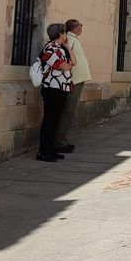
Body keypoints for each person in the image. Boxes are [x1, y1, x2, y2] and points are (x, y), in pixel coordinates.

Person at [35, 23, 74, 162]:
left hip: (61, 88)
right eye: (64, 32)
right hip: (52, 88)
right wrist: (67, 65)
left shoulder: (61, 48)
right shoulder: (51, 48)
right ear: (60, 34)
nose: (66, 35)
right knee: (49, 120)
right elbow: (64, 66)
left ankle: (50, 149)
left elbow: (73, 62)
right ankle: (43, 151)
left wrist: (69, 47)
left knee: (55, 121)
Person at [56, 18, 91, 153]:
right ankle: (59, 141)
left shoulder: (74, 39)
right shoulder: (70, 39)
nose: (81, 27)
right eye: (80, 25)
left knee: (71, 111)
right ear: (75, 28)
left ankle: (62, 139)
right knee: (68, 111)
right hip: (73, 80)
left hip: (77, 79)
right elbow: (67, 57)